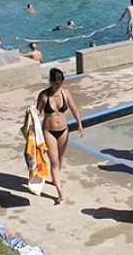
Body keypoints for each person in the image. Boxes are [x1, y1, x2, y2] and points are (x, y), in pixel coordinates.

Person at [36, 68, 84, 204]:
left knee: (60, 158)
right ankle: (59, 192)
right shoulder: (44, 96)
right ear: (50, 82)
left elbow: (74, 109)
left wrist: (79, 124)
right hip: (48, 131)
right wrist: (32, 112)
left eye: (61, 83)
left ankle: (55, 178)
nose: (58, 86)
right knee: (54, 161)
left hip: (63, 130)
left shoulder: (65, 93)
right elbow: (38, 112)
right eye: (56, 84)